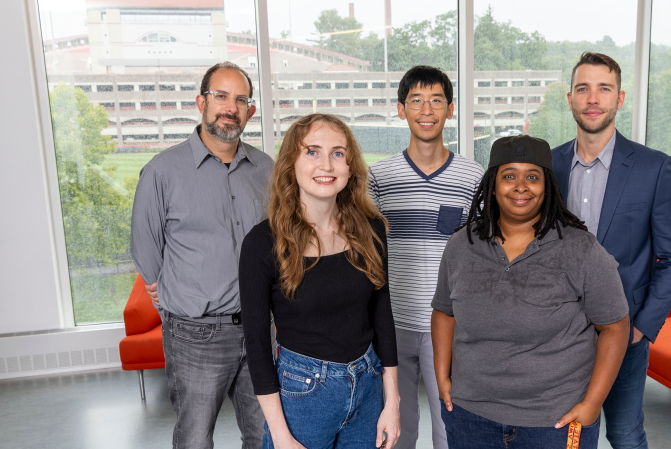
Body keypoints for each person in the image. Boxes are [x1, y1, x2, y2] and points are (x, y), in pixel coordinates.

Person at [431, 135, 630, 449]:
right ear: (493, 186)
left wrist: (593, 403)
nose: (520, 185)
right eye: (509, 175)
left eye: (532, 177)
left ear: (546, 186)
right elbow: (444, 311)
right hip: (471, 415)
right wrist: (441, 376)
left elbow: (615, 327)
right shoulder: (460, 245)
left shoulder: (582, 249)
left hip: (555, 422)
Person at [550, 52, 671, 448]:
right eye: (583, 89)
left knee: (626, 434)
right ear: (570, 98)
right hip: (559, 334)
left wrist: (643, 327)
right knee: (569, 435)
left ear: (620, 98)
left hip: (625, 333)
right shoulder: (548, 166)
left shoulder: (654, 168)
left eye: (604, 89)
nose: (593, 98)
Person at [238, 113, 401, 449]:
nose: (326, 164)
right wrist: (281, 436)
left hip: (368, 385)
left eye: (338, 153)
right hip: (303, 394)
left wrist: (392, 402)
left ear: (350, 165)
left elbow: (382, 319)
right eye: (312, 151)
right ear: (291, 164)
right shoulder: (262, 243)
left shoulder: (372, 229)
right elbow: (256, 344)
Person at [130, 61, 270, 449]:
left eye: (241, 100)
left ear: (250, 111)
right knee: (195, 438)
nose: (231, 107)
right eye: (220, 96)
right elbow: (145, 246)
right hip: (196, 334)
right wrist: (172, 291)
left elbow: (279, 241)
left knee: (264, 435)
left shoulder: (267, 170)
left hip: (260, 326)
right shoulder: (163, 171)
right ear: (201, 103)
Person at [367, 66, 484, 449]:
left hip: (449, 323)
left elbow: (482, 254)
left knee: (450, 426)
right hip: (392, 322)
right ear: (402, 110)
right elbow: (365, 250)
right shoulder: (379, 177)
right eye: (416, 101)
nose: (426, 110)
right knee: (395, 428)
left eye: (436, 100)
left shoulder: (473, 177)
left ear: (450, 109)